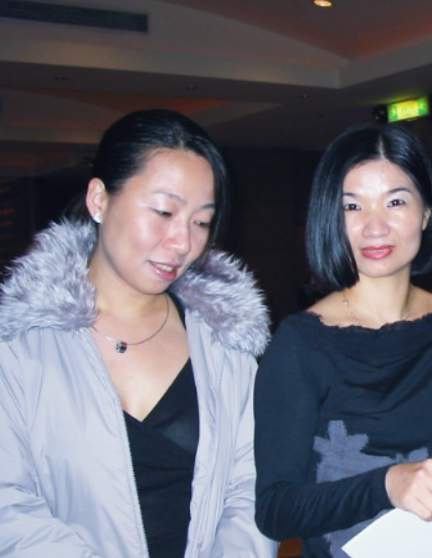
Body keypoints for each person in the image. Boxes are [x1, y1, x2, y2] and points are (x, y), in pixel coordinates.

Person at [0, 109, 275, 557]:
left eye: (201, 222)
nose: (182, 243)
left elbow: (249, 489)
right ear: (99, 200)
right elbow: (9, 506)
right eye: (164, 212)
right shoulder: (20, 344)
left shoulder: (225, 343)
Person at [254, 124, 432, 556]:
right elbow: (275, 509)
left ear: (426, 212)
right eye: (352, 206)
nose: (375, 226)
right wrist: (387, 485)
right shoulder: (300, 343)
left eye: (395, 201)